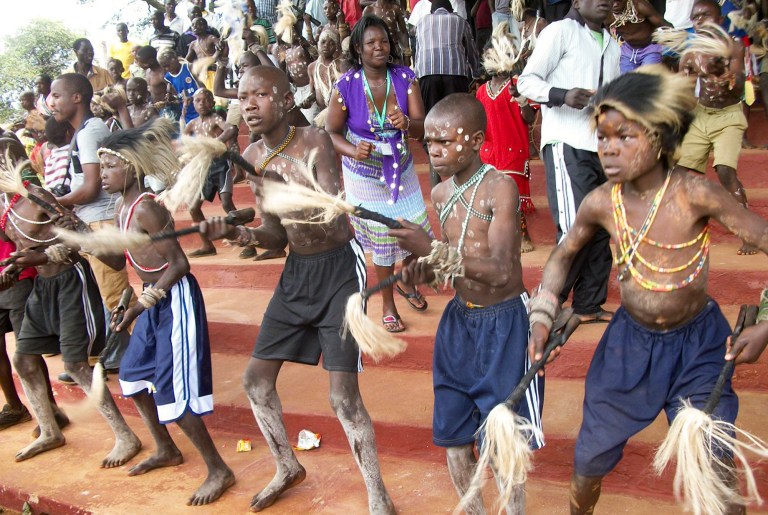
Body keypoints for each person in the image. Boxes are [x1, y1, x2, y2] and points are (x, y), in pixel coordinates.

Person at [528, 65, 768, 515]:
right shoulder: (601, 201)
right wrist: (543, 315)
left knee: (713, 462)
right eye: (602, 137)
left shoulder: (696, 194)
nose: (609, 149)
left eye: (625, 137)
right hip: (628, 347)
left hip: (700, 346)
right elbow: (563, 256)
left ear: (659, 137)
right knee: (587, 464)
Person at [200, 65, 395, 514]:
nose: (249, 104)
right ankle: (287, 465)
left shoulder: (314, 140)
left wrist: (284, 188)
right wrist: (243, 237)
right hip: (296, 273)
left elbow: (329, 207)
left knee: (342, 396)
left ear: (286, 100)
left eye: (261, 95)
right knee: (254, 380)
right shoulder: (252, 154)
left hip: (339, 272)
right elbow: (274, 233)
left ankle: (377, 493)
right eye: (244, 96)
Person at [391, 93, 543, 514]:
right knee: (454, 441)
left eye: (444, 141)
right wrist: (423, 270)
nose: (434, 151)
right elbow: (452, 267)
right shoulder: (441, 194)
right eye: (429, 143)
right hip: (460, 324)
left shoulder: (501, 187)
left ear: (476, 140)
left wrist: (432, 250)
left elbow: (498, 270)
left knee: (503, 443)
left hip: (506, 324)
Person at [92, 120, 235, 505]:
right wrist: (79, 239)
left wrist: (141, 303)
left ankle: (219, 469)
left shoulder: (147, 210)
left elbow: (178, 264)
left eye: (109, 167)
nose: (102, 174)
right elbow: (124, 260)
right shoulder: (122, 208)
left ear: (132, 168)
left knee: (175, 392)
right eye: (101, 167)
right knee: (133, 375)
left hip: (176, 300)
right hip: (153, 300)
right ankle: (165, 448)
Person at [2, 164, 141, 465]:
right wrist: (13, 269)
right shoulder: (7, 209)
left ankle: (125, 436)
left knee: (77, 365)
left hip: (71, 281)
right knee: (24, 358)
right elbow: (27, 249)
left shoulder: (36, 196)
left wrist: (42, 256)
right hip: (43, 286)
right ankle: (50, 431)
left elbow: (78, 235)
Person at [327, 15, 433, 333]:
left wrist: (407, 125)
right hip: (363, 174)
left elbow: (422, 126)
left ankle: (406, 281)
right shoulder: (345, 86)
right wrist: (352, 150)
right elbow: (331, 132)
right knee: (384, 238)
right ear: (358, 48)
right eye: (371, 42)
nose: (379, 47)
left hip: (400, 167)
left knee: (417, 233)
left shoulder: (405, 77)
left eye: (384, 41)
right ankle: (388, 305)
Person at [517, 0, 619, 324]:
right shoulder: (560, 32)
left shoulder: (613, 44)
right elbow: (526, 81)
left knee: (601, 224)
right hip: (567, 142)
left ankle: (588, 303)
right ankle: (548, 302)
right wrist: (563, 94)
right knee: (577, 227)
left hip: (601, 146)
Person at [51, 74, 136, 381]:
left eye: (56, 95)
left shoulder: (89, 132)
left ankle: (140, 350)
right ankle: (118, 352)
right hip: (89, 220)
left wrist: (54, 201)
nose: (51, 102)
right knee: (106, 292)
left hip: (98, 220)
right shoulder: (83, 132)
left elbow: (90, 189)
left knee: (115, 292)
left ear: (77, 98)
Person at [675, 0, 754, 255]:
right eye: (695, 17)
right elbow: (683, 93)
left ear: (720, 20)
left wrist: (724, 74)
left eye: (705, 16)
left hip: (728, 116)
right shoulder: (690, 53)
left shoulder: (732, 47)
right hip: (701, 114)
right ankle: (680, 229)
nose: (699, 21)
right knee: (678, 172)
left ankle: (749, 233)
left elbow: (740, 86)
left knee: (725, 171)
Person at [476, 24, 539, 253]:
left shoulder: (518, 84)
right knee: (491, 194)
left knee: (513, 195)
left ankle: (522, 235)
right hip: (490, 149)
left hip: (513, 147)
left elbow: (530, 117)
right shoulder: (482, 90)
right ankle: (496, 234)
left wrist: (521, 99)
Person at [415, 0, 480, 187]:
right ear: (451, 9)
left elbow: (418, 54)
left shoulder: (422, 22)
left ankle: (435, 175)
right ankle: (459, 176)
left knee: (432, 122)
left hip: (428, 76)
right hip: (455, 75)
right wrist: (476, 74)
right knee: (457, 123)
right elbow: (472, 52)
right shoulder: (460, 21)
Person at [181, 88, 238, 257]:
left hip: (221, 164)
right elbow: (183, 140)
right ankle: (207, 245)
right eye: (198, 101)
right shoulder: (193, 124)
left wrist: (214, 143)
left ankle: (248, 240)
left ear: (212, 103)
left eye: (205, 100)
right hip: (205, 167)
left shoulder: (215, 118)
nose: (202, 104)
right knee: (193, 207)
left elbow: (231, 129)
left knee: (227, 203)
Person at [607, 0, 671, 73]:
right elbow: (608, 36)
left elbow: (664, 25)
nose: (615, 5)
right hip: (627, 51)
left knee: (649, 79)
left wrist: (675, 40)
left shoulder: (640, 6)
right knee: (627, 81)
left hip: (650, 49)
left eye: (619, 1)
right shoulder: (607, 15)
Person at [362, 0, 412, 65]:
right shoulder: (369, 10)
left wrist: (406, 54)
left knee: (396, 73)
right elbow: (363, 34)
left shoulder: (395, 9)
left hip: (394, 51)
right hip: (377, 51)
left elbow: (403, 32)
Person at [157, 48, 197, 123]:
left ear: (175, 58)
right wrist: (171, 98)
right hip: (186, 114)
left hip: (199, 110)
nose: (167, 69)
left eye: (168, 65)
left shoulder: (189, 68)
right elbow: (178, 97)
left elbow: (203, 88)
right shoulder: (168, 77)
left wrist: (193, 98)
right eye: (164, 67)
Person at [137, 46, 177, 120]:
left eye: (142, 62)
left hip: (168, 109)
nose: (139, 64)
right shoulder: (148, 71)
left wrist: (166, 102)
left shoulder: (162, 73)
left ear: (151, 61)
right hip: (155, 108)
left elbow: (175, 92)